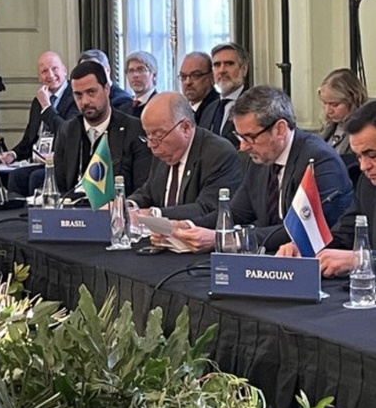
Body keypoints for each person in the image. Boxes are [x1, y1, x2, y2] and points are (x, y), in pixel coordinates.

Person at [158, 85, 352, 253]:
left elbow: (303, 230)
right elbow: (236, 213)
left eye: (249, 137)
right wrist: (186, 226)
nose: (243, 147)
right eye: (240, 137)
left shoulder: (319, 161)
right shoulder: (259, 159)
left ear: (280, 129)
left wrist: (226, 239)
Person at [277, 100, 376, 276]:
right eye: (359, 157)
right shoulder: (367, 185)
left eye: (372, 155)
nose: (364, 166)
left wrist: (361, 259)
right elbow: (344, 235)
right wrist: (305, 249)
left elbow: (357, 257)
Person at [128, 92, 242, 220]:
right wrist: (128, 206)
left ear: (186, 128)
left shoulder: (218, 154)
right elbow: (148, 192)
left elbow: (208, 209)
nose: (151, 144)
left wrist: (155, 214)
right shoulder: (164, 150)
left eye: (158, 135)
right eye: (148, 135)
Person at [53, 61, 152, 195]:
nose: (85, 101)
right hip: (73, 205)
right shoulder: (67, 131)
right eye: (78, 95)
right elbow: (59, 187)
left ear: (107, 89)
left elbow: (142, 189)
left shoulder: (134, 130)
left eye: (91, 92)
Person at [0, 51, 78, 196]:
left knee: (36, 178)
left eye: (54, 69)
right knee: (16, 176)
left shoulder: (75, 97)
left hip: (63, 162)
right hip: (39, 160)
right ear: (39, 77)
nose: (50, 75)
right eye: (44, 71)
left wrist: (47, 107)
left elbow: (67, 132)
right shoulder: (38, 101)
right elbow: (29, 139)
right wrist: (13, 154)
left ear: (64, 70)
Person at [198, 42, 251, 148]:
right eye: (217, 65)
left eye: (229, 64)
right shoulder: (208, 109)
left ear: (243, 69)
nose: (222, 70)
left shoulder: (255, 105)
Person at [317, 68, 368, 156]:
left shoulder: (365, 130)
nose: (328, 110)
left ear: (353, 99)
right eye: (325, 103)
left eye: (335, 104)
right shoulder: (328, 128)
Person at [178, 51, 218, 124]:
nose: (188, 82)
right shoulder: (180, 109)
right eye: (183, 76)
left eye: (195, 75)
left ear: (212, 77)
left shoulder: (218, 109)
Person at [124, 51, 158, 119]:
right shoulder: (123, 109)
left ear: (154, 75)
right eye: (131, 71)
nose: (135, 75)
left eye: (141, 70)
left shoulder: (160, 105)